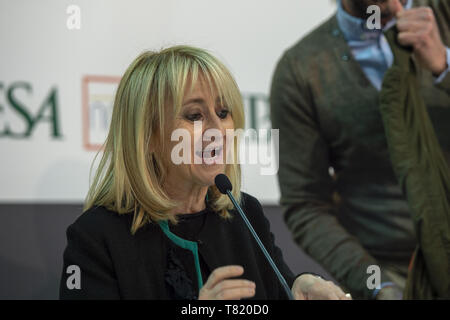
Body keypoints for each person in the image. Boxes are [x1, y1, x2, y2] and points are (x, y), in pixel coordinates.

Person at [59, 45, 350, 300]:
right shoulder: (96, 238)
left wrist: (301, 284)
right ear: (147, 135)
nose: (217, 131)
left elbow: (279, 286)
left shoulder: (244, 213)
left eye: (223, 113)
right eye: (195, 116)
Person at [270, 0, 450, 300]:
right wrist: (378, 285)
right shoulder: (300, 69)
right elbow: (306, 205)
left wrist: (443, 64)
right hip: (390, 270)